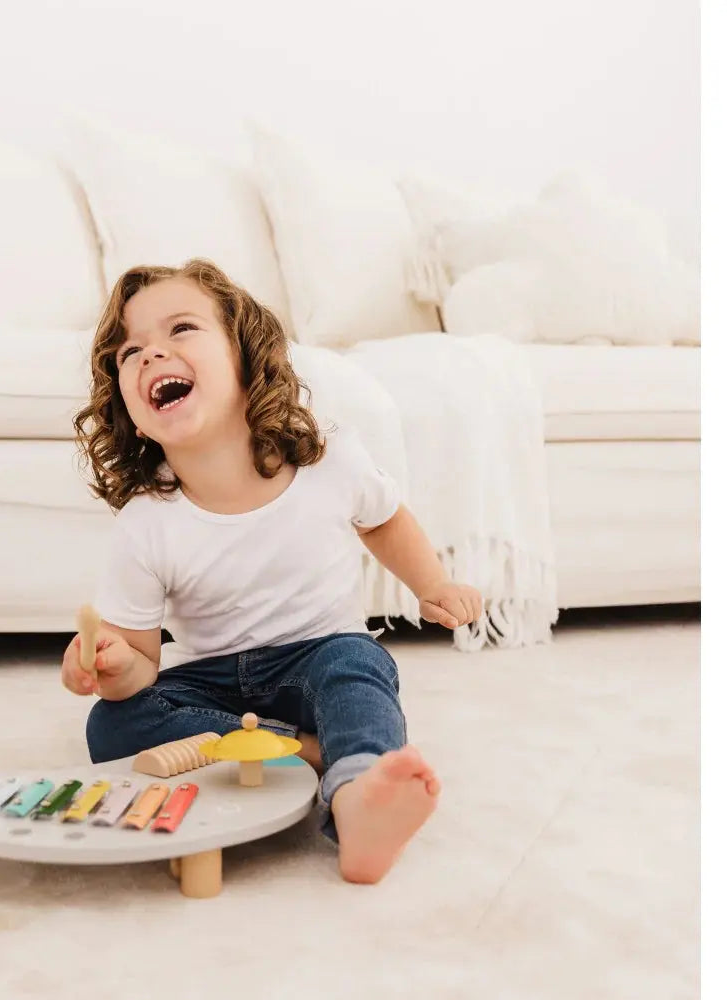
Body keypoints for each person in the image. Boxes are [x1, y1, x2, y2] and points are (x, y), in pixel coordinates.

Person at [62, 259, 482, 884]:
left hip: (318, 658)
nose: (151, 355)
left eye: (180, 329)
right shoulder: (146, 522)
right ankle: (313, 753)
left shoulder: (327, 458)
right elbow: (140, 664)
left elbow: (384, 519)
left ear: (245, 353)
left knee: (358, 667)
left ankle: (360, 795)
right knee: (115, 722)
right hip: (213, 684)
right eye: (130, 353)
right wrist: (112, 666)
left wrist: (434, 585)